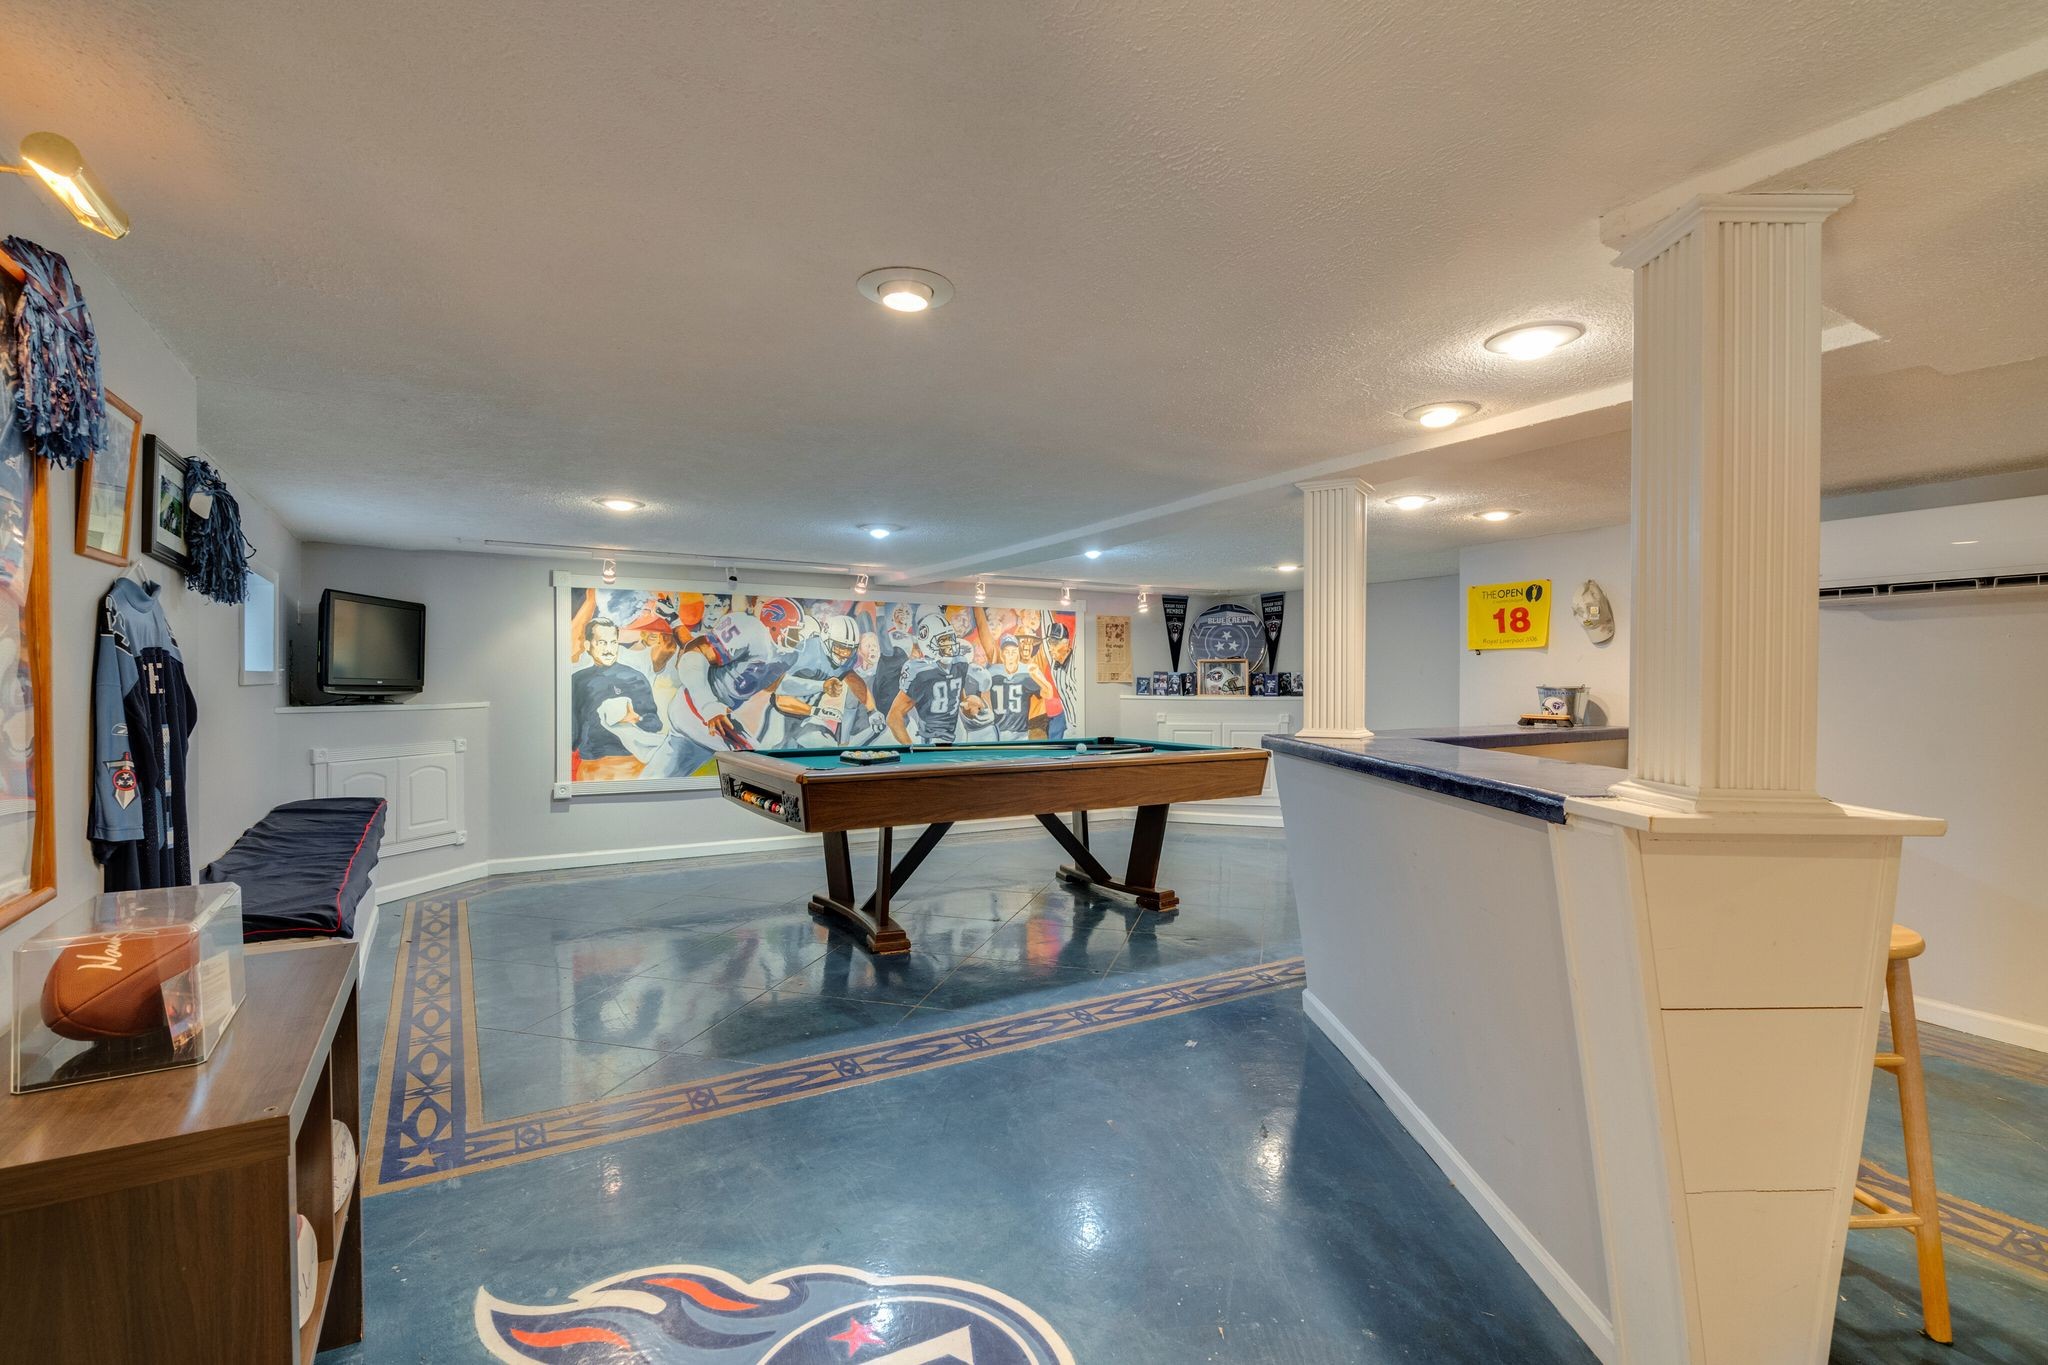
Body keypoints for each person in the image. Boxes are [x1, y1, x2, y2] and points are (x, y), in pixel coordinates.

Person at [635, 597, 813, 778]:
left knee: (661, 774)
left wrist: (821, 686)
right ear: (774, 625)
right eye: (793, 631)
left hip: (715, 716)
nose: (796, 638)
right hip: (698, 708)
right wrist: (708, 705)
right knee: (762, 768)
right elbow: (692, 657)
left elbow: (775, 686)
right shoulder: (750, 630)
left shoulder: (788, 656)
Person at [571, 617, 662, 780]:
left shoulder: (635, 678)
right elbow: (572, 733)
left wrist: (635, 719)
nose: (609, 649)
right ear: (587, 645)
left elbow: (654, 723)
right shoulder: (577, 681)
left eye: (613, 642)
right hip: (590, 766)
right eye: (602, 643)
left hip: (631, 763)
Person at [889, 612, 983, 744]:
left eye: (951, 638)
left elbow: (960, 699)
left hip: (957, 733)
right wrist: (911, 748)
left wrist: (970, 704)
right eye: (944, 640)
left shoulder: (959, 663)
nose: (950, 644)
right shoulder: (920, 672)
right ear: (927, 644)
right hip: (931, 738)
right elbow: (893, 716)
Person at [981, 633, 1045, 740]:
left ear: (1017, 653)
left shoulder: (1028, 671)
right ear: (1002, 654)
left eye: (1013, 651)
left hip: (1021, 731)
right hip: (997, 730)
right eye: (1007, 652)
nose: (1010, 655)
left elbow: (1044, 693)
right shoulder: (992, 672)